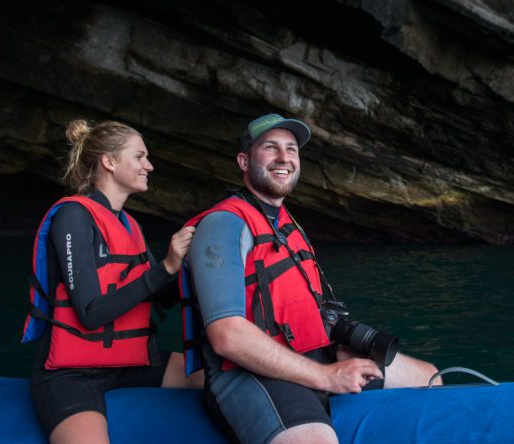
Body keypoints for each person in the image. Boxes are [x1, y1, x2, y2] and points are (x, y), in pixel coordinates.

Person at [181, 113, 442, 444]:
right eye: (271, 148)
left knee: (428, 376)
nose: (284, 157)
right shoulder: (224, 225)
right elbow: (227, 336)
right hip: (249, 373)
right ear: (244, 161)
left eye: (291, 149)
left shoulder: (288, 224)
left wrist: (338, 349)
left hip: (314, 353)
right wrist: (325, 377)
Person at [21, 119, 204, 444]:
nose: (148, 165)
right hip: (71, 375)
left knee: (216, 377)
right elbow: (91, 313)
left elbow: (158, 297)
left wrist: (187, 266)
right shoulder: (73, 217)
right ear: (109, 161)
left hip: (130, 361)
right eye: (139, 156)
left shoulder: (129, 224)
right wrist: (165, 266)